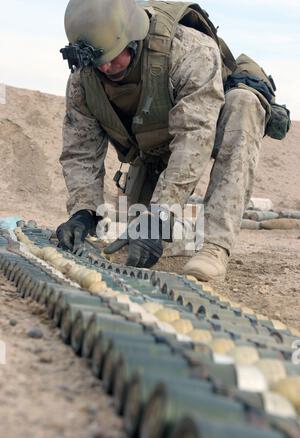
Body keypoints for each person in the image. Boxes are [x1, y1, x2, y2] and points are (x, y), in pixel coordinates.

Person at [57, 0, 289, 281]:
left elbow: (195, 136)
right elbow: (79, 151)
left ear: (132, 36)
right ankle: (177, 234)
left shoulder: (191, 51)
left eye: (113, 55)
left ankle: (214, 247)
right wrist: (84, 212)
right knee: (141, 242)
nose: (105, 66)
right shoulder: (83, 79)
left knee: (244, 104)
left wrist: (161, 214)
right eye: (97, 59)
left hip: (210, 125)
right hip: (156, 142)